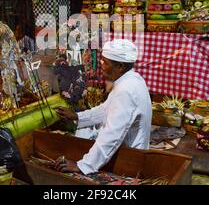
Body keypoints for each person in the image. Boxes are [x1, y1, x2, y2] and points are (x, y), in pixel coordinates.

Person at [54, 39, 152, 175]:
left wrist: (83, 166)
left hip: (131, 158)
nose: (101, 65)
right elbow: (106, 109)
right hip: (129, 151)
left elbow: (112, 135)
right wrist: (78, 116)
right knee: (86, 130)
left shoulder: (126, 91)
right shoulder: (131, 79)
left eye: (105, 62)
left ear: (120, 67)